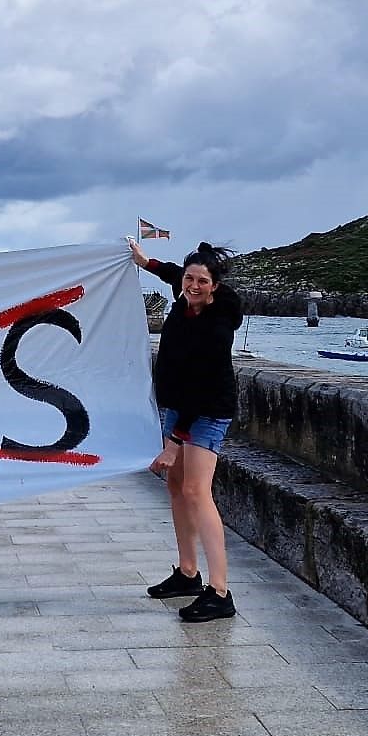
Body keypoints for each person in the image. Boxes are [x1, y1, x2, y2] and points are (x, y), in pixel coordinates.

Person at [128, 238, 242, 622]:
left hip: (206, 411)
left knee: (196, 490)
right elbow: (177, 275)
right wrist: (148, 263)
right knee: (176, 486)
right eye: (189, 279)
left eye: (202, 282)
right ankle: (188, 573)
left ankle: (220, 591)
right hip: (177, 406)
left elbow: (201, 389)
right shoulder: (186, 294)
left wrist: (175, 441)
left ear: (216, 288)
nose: (193, 286)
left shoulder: (216, 326)